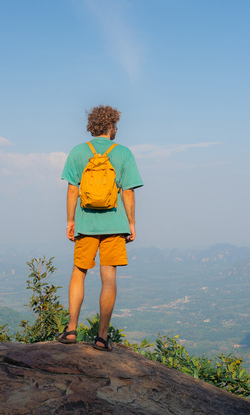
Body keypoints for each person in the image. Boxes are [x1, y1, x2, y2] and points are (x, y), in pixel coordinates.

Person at [58, 105, 143, 351]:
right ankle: (102, 337)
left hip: (86, 224)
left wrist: (70, 220)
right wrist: (131, 223)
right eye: (116, 125)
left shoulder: (77, 152)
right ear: (111, 126)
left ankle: (71, 329)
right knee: (109, 278)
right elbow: (128, 191)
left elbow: (72, 188)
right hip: (115, 225)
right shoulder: (123, 153)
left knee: (79, 272)